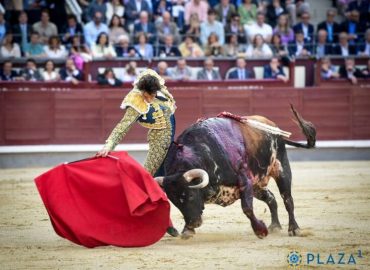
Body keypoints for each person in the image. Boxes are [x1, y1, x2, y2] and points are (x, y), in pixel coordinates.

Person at [96, 69, 178, 237]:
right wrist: (109, 146)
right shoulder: (136, 102)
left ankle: (165, 222)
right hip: (159, 143)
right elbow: (122, 127)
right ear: (142, 92)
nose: (150, 98)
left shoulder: (158, 87)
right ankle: (157, 222)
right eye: (148, 95)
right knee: (146, 183)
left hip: (171, 139)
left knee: (163, 183)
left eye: (153, 94)